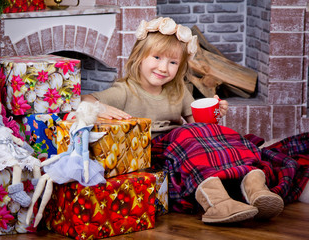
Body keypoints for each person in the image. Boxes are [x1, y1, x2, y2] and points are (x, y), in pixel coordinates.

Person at [82, 17, 284, 223]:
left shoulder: (178, 90)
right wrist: (101, 108)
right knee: (185, 135)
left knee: (227, 135)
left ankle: (255, 187)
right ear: (139, 57)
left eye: (172, 62)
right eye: (157, 57)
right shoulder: (124, 91)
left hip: (183, 146)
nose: (163, 68)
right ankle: (218, 203)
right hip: (155, 152)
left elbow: (201, 128)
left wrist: (214, 112)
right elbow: (83, 100)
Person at [26, 101, 106, 227]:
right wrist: (50, 160)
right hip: (69, 159)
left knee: (49, 180)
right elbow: (68, 151)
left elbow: (85, 152)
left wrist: (85, 169)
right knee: (43, 178)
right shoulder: (75, 128)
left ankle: (39, 214)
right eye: (79, 108)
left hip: (77, 163)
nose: (79, 110)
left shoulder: (84, 132)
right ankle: (31, 208)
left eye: (82, 109)